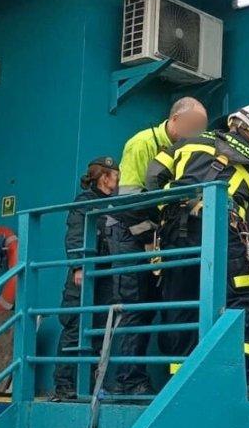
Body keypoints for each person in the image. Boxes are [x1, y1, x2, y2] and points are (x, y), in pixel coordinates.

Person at [146, 105, 249, 399]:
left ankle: (179, 387)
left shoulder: (189, 143)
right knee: (241, 305)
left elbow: (153, 174)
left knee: (181, 306)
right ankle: (242, 383)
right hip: (223, 234)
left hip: (176, 234)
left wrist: (166, 206)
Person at [107, 97, 208, 395]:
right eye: (194, 126)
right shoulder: (141, 144)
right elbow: (129, 201)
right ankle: (128, 380)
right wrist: (150, 240)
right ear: (175, 120)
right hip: (127, 232)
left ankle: (142, 377)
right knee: (135, 304)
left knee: (155, 304)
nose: (197, 132)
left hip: (153, 236)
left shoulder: (185, 151)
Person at [52, 156, 120, 401]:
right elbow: (76, 234)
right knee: (75, 327)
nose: (119, 179)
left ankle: (90, 384)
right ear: (105, 176)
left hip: (104, 275)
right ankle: (65, 386)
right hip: (84, 275)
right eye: (115, 174)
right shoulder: (85, 203)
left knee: (99, 330)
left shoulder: (113, 204)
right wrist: (79, 266)